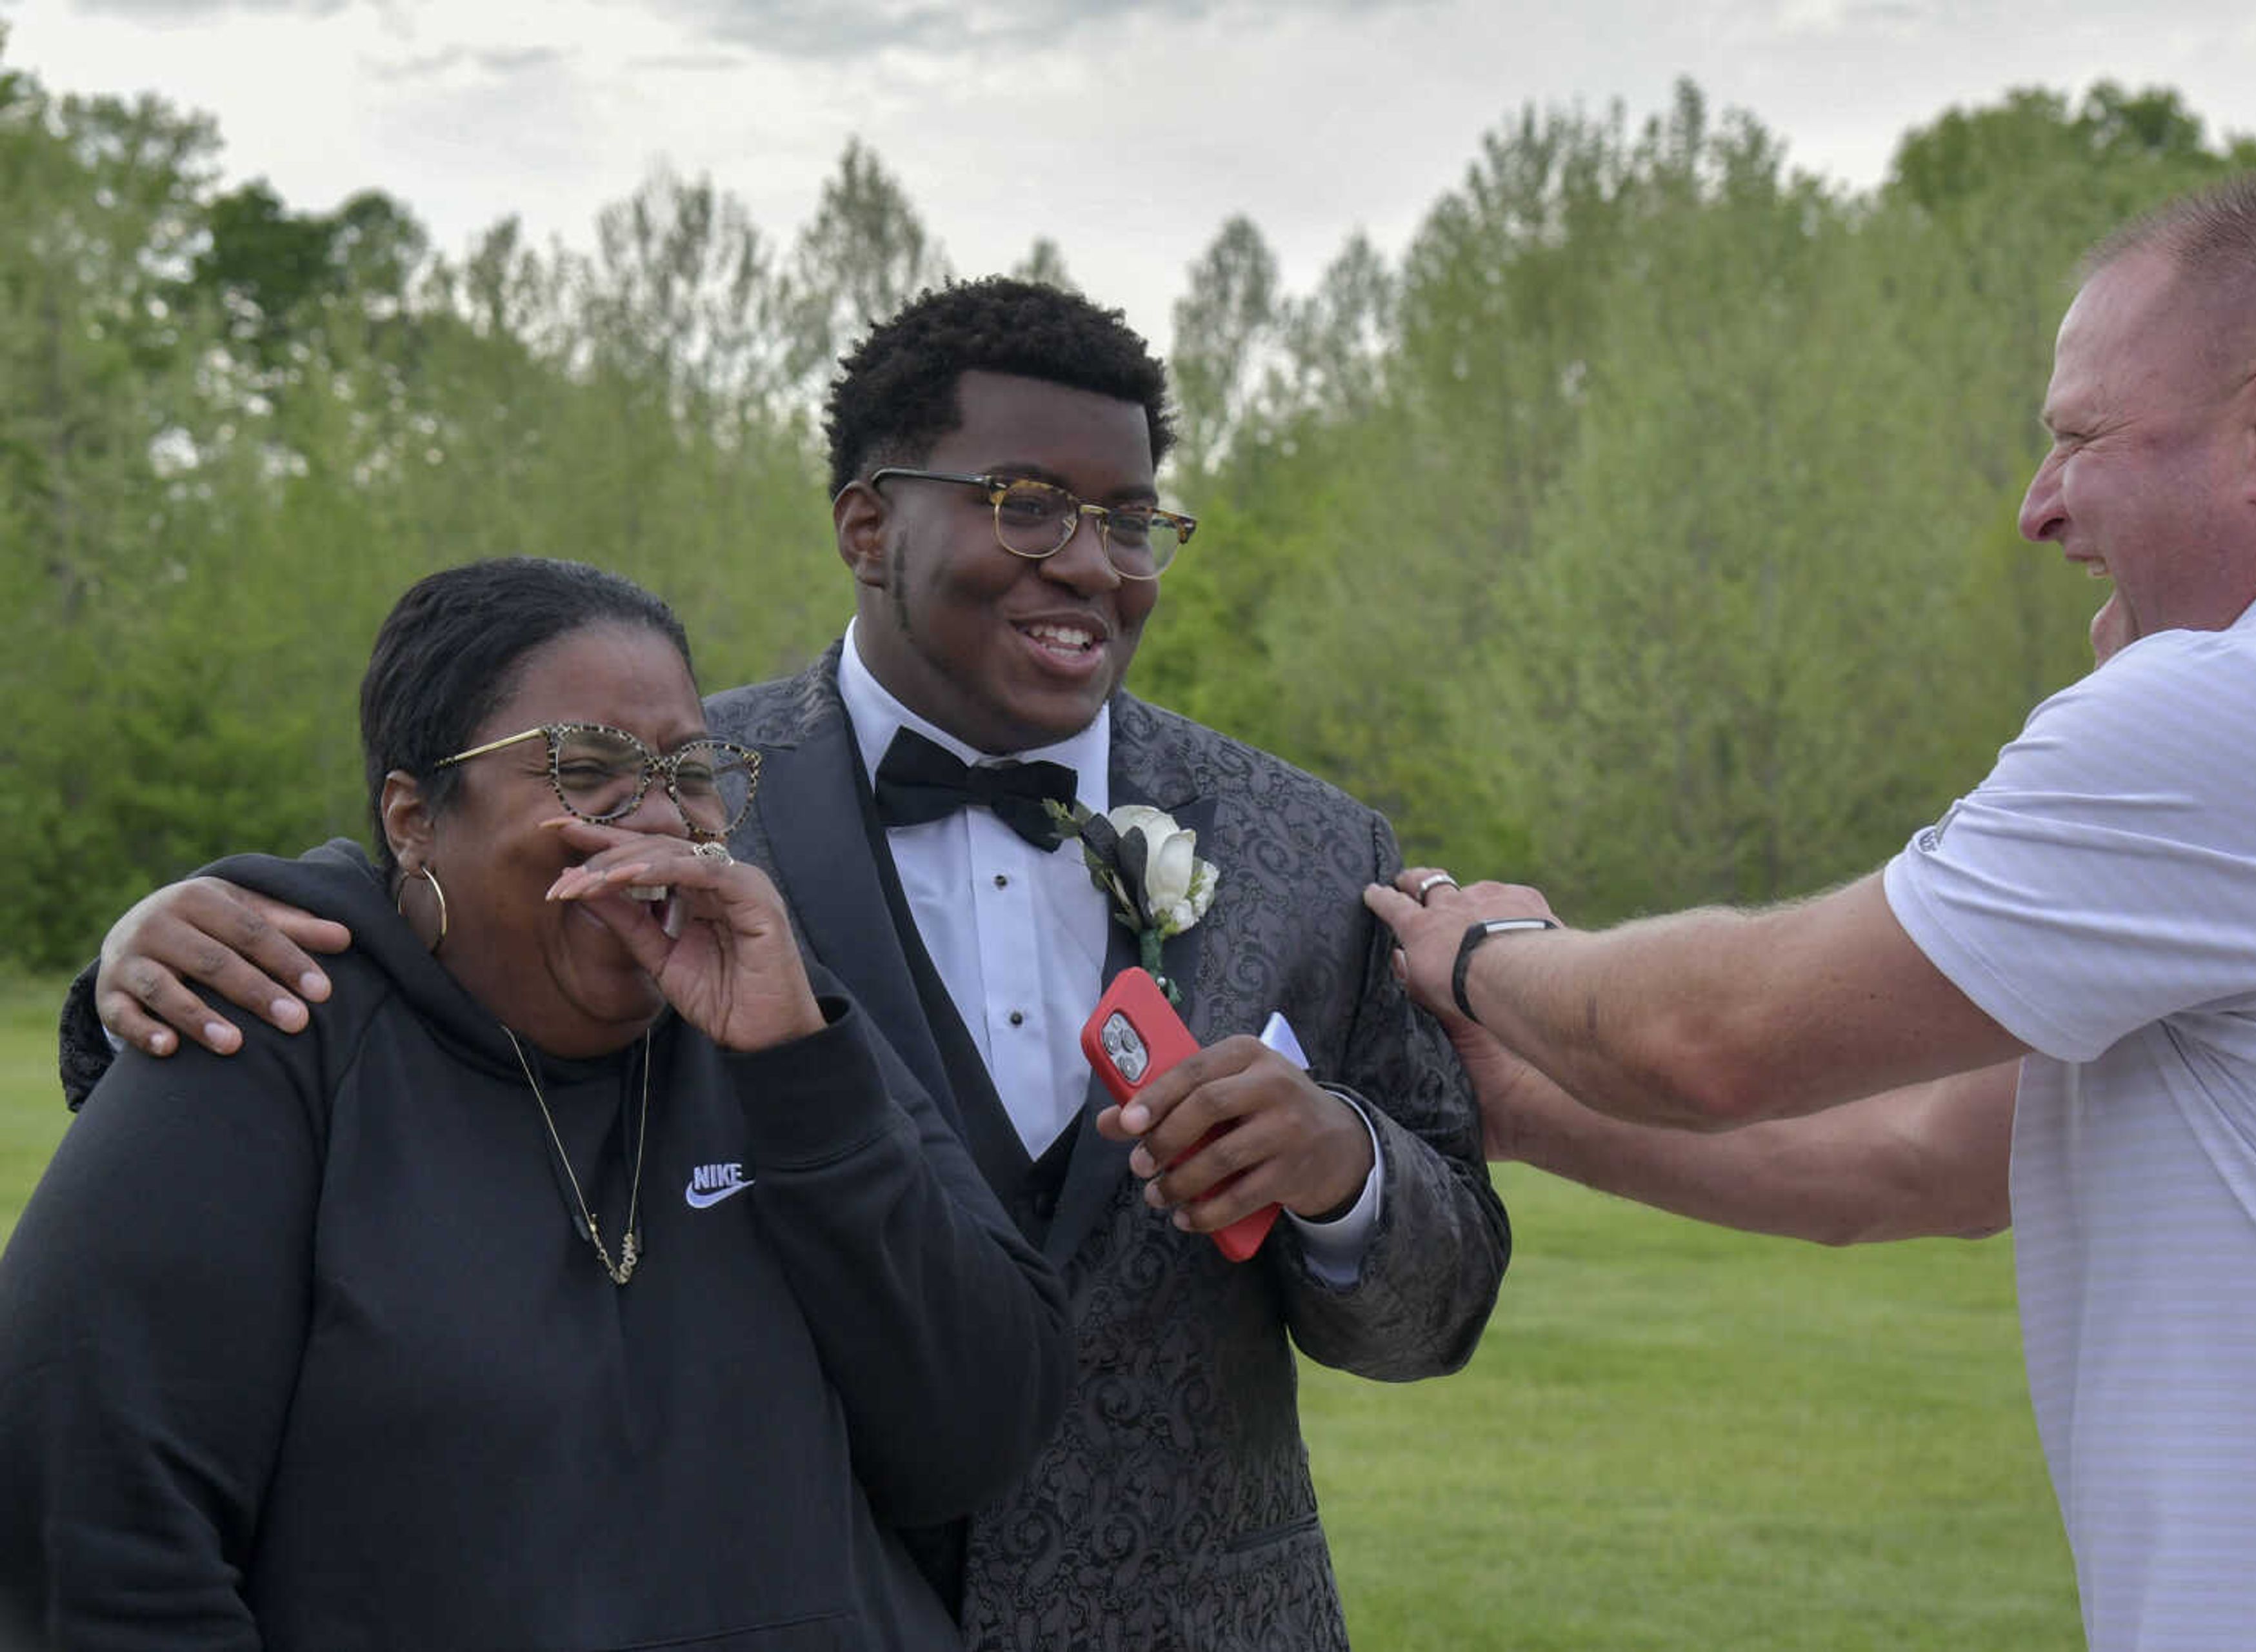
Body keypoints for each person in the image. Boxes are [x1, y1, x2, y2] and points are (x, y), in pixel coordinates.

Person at [59, 281, 1511, 1649]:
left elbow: (1439, 1309)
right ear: (868, 527)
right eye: (1028, 504)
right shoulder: (689, 784)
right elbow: (410, 925)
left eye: (1133, 521)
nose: (1090, 560)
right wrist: (136, 961)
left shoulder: (1309, 847)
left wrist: (1347, 1176)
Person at [1370, 164, 2256, 1649]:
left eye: (2079, 437)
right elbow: (1919, 1160)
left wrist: (1484, 951)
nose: (2038, 509)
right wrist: (1518, 1101)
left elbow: (1715, 1037)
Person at [3, 557, 1073, 1649]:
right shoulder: (265, 1027)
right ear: (415, 819)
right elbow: (89, 1538)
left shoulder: (787, 1023)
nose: (661, 816)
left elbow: (979, 1433)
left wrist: (805, 1083)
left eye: (691, 770)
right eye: (587, 765)